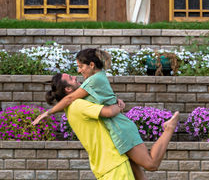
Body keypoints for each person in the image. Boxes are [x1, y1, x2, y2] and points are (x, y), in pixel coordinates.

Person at [34, 49, 180, 180]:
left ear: (91, 65)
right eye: (72, 77)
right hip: (116, 131)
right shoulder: (89, 85)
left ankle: (168, 128)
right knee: (139, 177)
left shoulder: (92, 81)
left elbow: (72, 99)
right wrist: (116, 101)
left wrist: (48, 112)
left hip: (119, 129)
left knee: (151, 164)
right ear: (67, 88)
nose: (78, 73)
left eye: (80, 67)